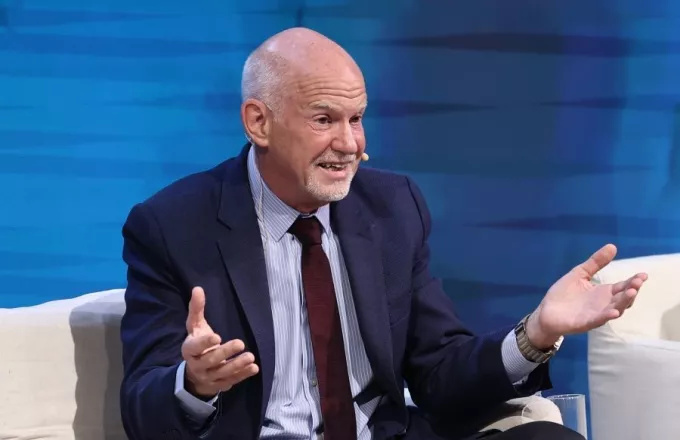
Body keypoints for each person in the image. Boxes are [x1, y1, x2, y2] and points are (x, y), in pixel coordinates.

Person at [119, 27, 647, 440]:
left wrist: (535, 334)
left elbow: (439, 372)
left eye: (357, 119)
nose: (350, 144)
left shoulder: (391, 207)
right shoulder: (173, 226)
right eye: (324, 119)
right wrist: (194, 384)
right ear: (259, 122)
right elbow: (142, 406)